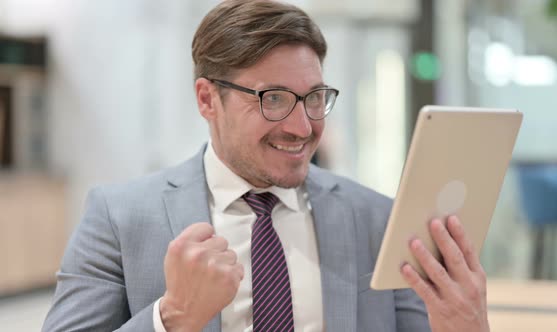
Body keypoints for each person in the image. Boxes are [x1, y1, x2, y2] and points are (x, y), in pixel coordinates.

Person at [42, 1, 489, 331]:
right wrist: (171, 317)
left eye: (314, 98)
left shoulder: (377, 219)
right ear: (206, 99)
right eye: (272, 99)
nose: (302, 126)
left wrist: (467, 327)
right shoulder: (118, 217)